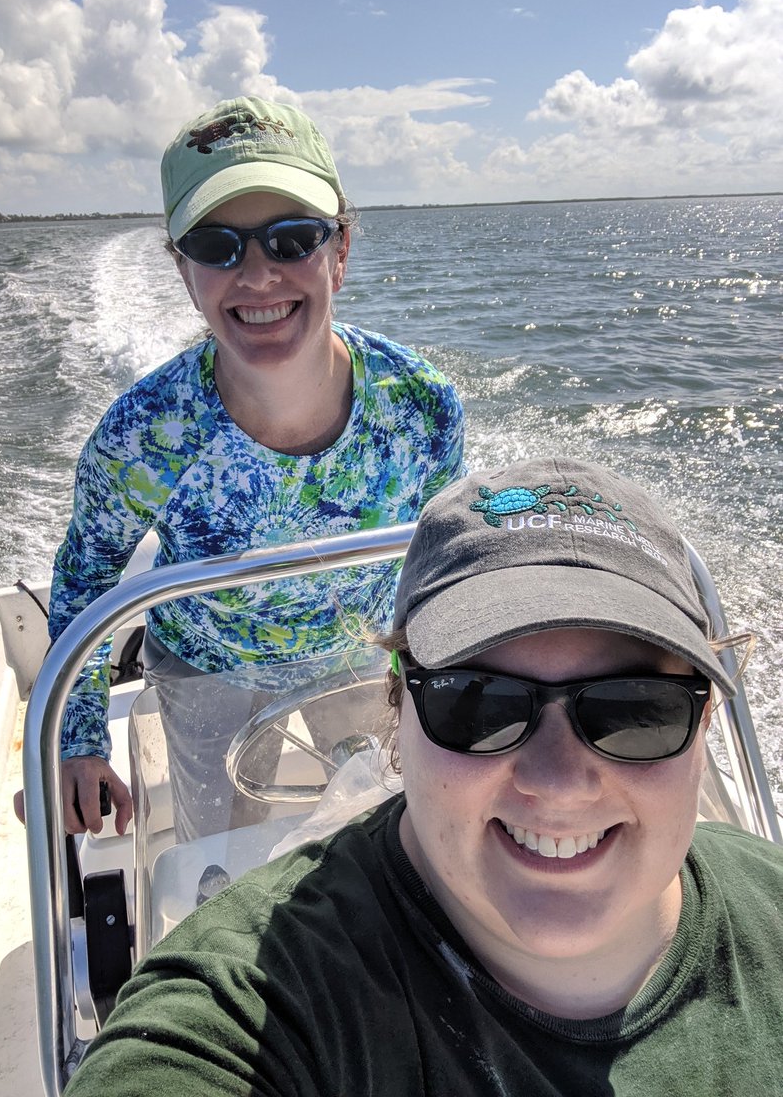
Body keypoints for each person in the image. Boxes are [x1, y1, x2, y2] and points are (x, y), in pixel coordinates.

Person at [62, 456, 783, 1096]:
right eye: (478, 705)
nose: (561, 782)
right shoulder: (249, 1008)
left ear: (705, 723)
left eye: (636, 710)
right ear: (397, 710)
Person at [42, 95, 465, 837]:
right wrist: (77, 742)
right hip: (207, 665)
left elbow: (440, 562)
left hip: (360, 656)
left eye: (292, 239)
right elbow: (88, 574)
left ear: (340, 251)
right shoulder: (143, 436)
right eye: (217, 246)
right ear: (184, 270)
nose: (259, 276)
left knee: (388, 837)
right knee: (217, 860)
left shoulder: (422, 408)